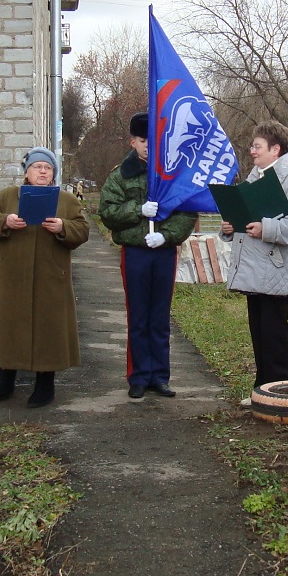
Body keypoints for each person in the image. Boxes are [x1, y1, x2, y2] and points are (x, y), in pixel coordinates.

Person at [0, 147, 89, 408]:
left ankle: (45, 385)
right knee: (11, 327)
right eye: (37, 167)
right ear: (26, 172)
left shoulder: (66, 200)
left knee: (48, 329)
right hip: (13, 275)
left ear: (53, 175)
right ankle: (5, 381)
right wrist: (6, 221)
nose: (42, 171)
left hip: (51, 276)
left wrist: (63, 226)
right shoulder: (8, 196)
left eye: (48, 168)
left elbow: (82, 230)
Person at [99, 112, 197, 399]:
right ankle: (139, 376)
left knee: (160, 317)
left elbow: (186, 212)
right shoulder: (120, 175)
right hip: (136, 253)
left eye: (153, 141)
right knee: (138, 315)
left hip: (163, 252)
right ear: (133, 142)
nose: (147, 146)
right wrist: (137, 211)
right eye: (143, 140)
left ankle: (160, 376)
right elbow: (107, 213)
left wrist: (166, 235)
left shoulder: (170, 175)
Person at [219, 121, 288, 400]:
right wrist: (230, 226)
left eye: (257, 146)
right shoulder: (257, 175)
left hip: (277, 269)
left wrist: (268, 229)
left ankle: (281, 393)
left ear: (276, 149)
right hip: (256, 271)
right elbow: (247, 214)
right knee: (260, 336)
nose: (252, 151)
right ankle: (262, 391)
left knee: (274, 338)